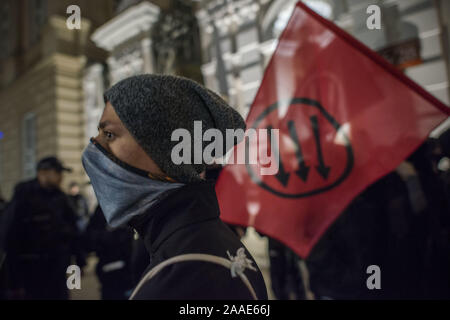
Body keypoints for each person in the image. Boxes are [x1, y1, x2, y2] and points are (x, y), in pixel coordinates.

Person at [81, 74, 268, 300]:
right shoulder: (195, 247)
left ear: (163, 155)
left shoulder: (184, 276)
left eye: (109, 134)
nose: (94, 145)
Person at [3, 156, 78, 299]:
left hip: (57, 269)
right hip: (32, 271)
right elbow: (9, 236)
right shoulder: (24, 195)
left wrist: (78, 261)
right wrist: (14, 281)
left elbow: (73, 230)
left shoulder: (61, 197)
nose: (61, 177)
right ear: (43, 173)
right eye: (57, 172)